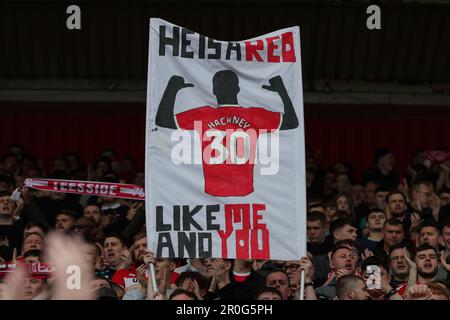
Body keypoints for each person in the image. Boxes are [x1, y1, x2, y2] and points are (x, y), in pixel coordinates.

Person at [155, 70, 299, 197]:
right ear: (237, 89)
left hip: (213, 193)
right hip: (245, 191)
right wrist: (281, 90)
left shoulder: (204, 115)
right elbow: (292, 122)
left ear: (214, 90)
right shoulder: (254, 115)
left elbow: (163, 120)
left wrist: (172, 87)